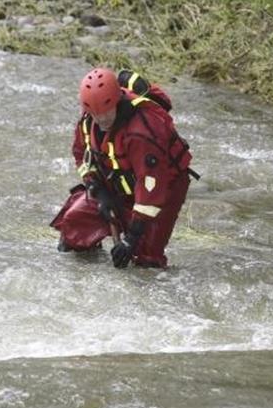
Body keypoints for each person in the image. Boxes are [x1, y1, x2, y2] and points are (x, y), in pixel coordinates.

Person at [50, 67, 194, 268]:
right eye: (95, 113)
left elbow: (151, 188)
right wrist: (99, 193)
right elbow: (82, 156)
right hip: (115, 186)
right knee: (74, 224)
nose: (101, 120)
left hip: (162, 190)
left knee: (146, 261)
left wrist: (131, 238)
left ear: (117, 101)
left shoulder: (140, 132)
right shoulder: (88, 120)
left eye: (107, 113)